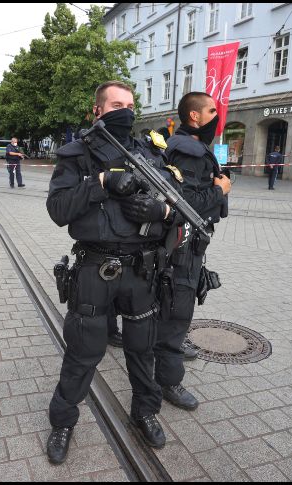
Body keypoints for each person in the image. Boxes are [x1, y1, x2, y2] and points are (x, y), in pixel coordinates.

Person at [46, 80, 177, 464]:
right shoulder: (76, 155)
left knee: (142, 347)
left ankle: (145, 411)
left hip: (142, 271)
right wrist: (100, 183)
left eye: (131, 104)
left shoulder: (149, 153)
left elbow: (176, 207)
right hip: (94, 267)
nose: (127, 110)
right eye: (117, 104)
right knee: (83, 351)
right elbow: (58, 210)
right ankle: (63, 420)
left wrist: (162, 213)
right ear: (98, 111)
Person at [159, 91, 231, 411]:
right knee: (179, 306)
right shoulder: (188, 150)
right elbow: (185, 206)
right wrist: (219, 190)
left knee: (170, 300)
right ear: (195, 117)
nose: (217, 115)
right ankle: (169, 380)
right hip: (183, 243)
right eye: (212, 111)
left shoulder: (185, 145)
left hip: (181, 242)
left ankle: (166, 348)